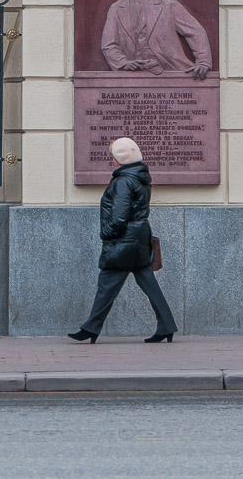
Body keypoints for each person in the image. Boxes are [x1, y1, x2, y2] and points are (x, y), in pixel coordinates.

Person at [68, 137, 178, 344]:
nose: (112, 159)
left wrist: (106, 233)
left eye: (113, 156)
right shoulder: (140, 177)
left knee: (107, 283)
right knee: (148, 283)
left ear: (118, 159)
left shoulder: (124, 181)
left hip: (124, 241)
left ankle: (91, 328)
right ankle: (166, 326)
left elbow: (119, 216)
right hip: (138, 238)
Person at [100, 0, 212, 80]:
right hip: (132, 77)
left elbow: (196, 32)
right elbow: (108, 44)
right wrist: (123, 63)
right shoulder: (116, 8)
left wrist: (203, 62)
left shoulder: (169, 5)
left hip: (173, 71)